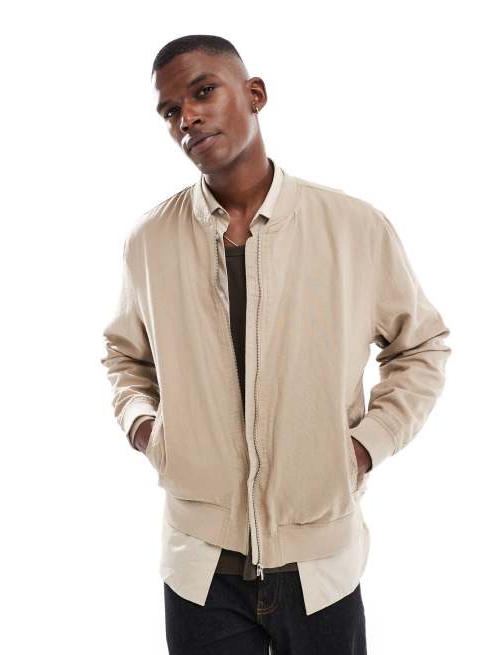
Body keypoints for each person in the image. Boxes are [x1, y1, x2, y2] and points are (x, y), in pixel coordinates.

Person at [100, 34, 452, 654]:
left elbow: (421, 347)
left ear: (255, 94)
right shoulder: (149, 241)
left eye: (203, 91)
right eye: (171, 110)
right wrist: (147, 430)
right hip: (199, 569)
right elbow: (126, 356)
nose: (188, 118)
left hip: (320, 566)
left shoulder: (353, 227)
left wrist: (365, 446)